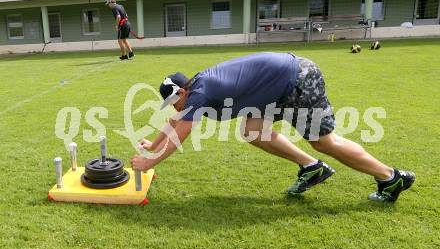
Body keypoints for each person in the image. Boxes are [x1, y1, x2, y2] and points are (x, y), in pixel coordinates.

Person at [130, 52, 415, 203]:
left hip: (296, 79)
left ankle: (391, 177)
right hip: (274, 87)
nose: (174, 108)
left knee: (324, 142)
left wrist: (149, 161)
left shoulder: (200, 93)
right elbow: (175, 124)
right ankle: (311, 167)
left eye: (172, 102)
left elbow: (183, 131)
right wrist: (151, 146)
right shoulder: (197, 89)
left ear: (182, 92)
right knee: (252, 130)